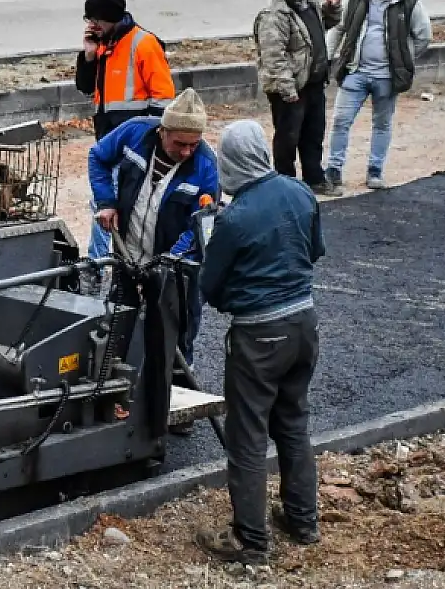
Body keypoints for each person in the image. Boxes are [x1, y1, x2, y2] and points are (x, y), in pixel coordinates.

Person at [193, 119, 324, 565]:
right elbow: (314, 250)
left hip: (259, 335)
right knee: (293, 423)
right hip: (304, 323)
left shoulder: (234, 218)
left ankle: (250, 541)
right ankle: (303, 521)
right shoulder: (300, 191)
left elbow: (209, 288)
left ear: (229, 162)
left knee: (247, 436)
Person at [88, 87, 218, 378]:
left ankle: (177, 399)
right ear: (163, 131)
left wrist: (167, 263)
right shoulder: (135, 133)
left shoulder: (206, 166)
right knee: (118, 323)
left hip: (175, 268)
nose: (186, 152)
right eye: (180, 144)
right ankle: (114, 390)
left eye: (193, 145)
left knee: (176, 334)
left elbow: (201, 227)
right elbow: (98, 157)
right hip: (129, 252)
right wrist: (107, 202)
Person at [76, 0, 177, 292]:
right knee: (106, 201)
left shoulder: (143, 45)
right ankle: (108, 266)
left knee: (106, 203)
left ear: (112, 18)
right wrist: (88, 56)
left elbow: (164, 101)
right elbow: (84, 87)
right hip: (109, 141)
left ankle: (97, 267)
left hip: (134, 146)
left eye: (97, 19)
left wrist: (148, 144)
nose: (93, 25)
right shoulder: (104, 45)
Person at [323, 0, 432, 190]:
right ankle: (333, 170)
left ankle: (375, 172)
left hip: (387, 77)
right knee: (340, 122)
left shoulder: (409, 1)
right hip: (355, 72)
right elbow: (339, 28)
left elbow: (423, 37)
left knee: (382, 124)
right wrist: (327, 57)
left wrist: (403, 60)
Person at [253, 0, 343, 197]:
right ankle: (285, 186)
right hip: (291, 90)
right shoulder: (274, 17)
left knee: (313, 135)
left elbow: (324, 26)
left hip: (313, 86)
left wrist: (333, 8)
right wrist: (288, 90)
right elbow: (273, 57)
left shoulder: (309, 6)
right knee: (287, 140)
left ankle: (314, 179)